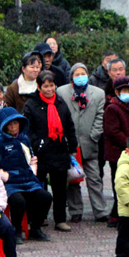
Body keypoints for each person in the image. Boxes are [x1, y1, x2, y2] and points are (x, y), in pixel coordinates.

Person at [23, 71, 78, 232]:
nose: (49, 89)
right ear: (39, 87)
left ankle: (60, 219)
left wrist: (72, 147)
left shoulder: (60, 103)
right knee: (40, 187)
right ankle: (40, 218)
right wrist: (37, 144)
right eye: (45, 86)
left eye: (52, 85)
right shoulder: (31, 105)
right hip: (40, 153)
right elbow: (27, 129)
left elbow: (69, 126)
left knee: (60, 188)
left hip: (59, 151)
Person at [0, 107, 52, 242]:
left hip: (28, 180)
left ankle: (35, 228)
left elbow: (31, 159)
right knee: (18, 201)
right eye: (10, 124)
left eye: (16, 123)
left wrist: (32, 172)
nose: (13, 127)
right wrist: (7, 177)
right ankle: (16, 230)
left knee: (45, 197)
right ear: (3, 126)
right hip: (10, 183)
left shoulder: (24, 139)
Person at [58, 63, 109, 223]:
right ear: (71, 76)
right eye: (77, 74)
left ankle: (100, 211)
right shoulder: (62, 92)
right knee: (73, 179)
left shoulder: (98, 93)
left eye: (83, 73)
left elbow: (101, 116)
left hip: (90, 143)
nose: (80, 76)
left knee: (94, 178)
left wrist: (94, 135)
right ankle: (76, 210)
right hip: (70, 144)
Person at [103, 76, 129, 227]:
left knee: (128, 183)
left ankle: (117, 215)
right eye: (124, 90)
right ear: (117, 92)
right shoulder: (111, 108)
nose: (127, 93)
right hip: (117, 153)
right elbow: (113, 132)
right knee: (119, 184)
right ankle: (117, 216)